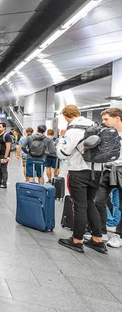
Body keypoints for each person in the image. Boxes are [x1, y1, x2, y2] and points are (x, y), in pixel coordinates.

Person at [57, 104, 106, 253]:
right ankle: (97, 239)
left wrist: (61, 138)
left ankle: (77, 240)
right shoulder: (96, 126)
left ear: (65, 116)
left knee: (79, 205)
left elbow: (62, 154)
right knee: (90, 203)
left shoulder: (73, 130)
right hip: (97, 171)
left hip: (79, 171)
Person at [93, 108, 122, 248]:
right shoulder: (106, 135)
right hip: (107, 171)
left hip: (121, 170)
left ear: (117, 118)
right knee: (99, 201)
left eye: (106, 119)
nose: (104, 122)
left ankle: (119, 235)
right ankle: (101, 232)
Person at [0, 122, 14, 188]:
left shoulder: (7, 136)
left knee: (3, 169)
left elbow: (8, 147)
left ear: (4, 128)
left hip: (4, 155)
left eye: (0, 127)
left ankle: (4, 183)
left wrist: (6, 157)